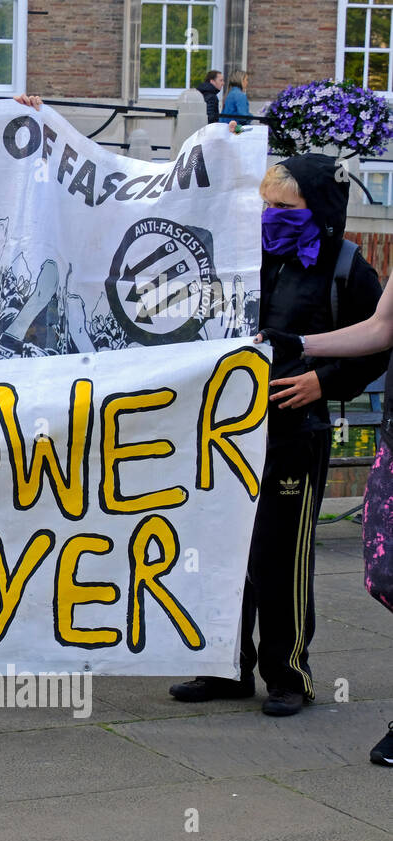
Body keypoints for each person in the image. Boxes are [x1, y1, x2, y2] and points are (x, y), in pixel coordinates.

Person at [170, 155, 389, 716]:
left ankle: (288, 674)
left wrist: (324, 383)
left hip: (296, 429)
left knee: (281, 554)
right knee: (223, 547)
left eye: (284, 207)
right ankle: (226, 664)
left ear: (317, 208)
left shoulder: (348, 269)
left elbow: (378, 342)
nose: (270, 215)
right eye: (265, 204)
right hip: (225, 429)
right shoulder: (246, 256)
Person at [257, 277, 393, 763]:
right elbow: (382, 327)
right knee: (385, 576)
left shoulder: (343, 263)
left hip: (318, 435)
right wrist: (298, 343)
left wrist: (322, 375)